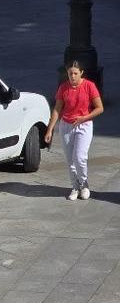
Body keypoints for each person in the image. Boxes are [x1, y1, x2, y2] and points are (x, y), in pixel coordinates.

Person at [44, 60, 104, 200]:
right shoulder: (63, 88)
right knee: (70, 160)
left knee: (80, 158)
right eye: (70, 73)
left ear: (81, 73)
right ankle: (75, 186)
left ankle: (84, 184)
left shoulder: (90, 86)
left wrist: (84, 118)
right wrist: (50, 129)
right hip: (66, 125)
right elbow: (57, 109)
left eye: (75, 73)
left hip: (84, 125)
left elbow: (100, 108)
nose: (72, 76)